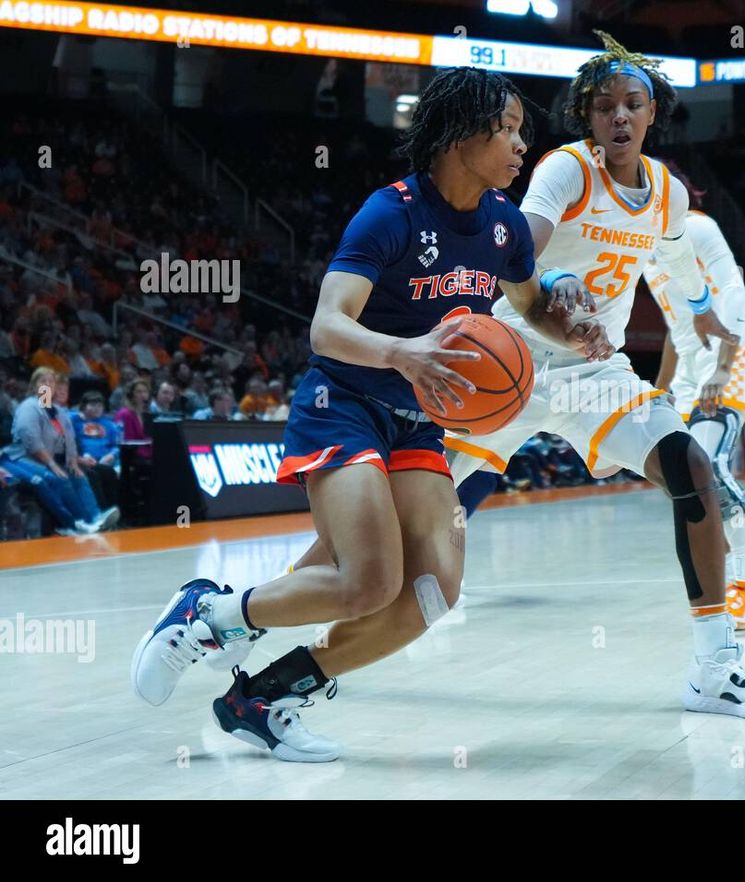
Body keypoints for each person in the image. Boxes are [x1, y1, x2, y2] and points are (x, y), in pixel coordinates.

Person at [130, 66, 616, 761]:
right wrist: (404, 353)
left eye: (520, 132)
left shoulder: (506, 227)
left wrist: (571, 330)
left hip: (417, 419)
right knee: (367, 581)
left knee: (430, 592)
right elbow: (328, 326)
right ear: (458, 134)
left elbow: (534, 303)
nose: (519, 146)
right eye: (506, 129)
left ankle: (266, 696)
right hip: (345, 404)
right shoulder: (391, 212)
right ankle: (207, 617)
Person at [445, 32, 745, 719]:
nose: (620, 117)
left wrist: (706, 318)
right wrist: (560, 284)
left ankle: (715, 666)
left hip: (593, 371)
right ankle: (237, 618)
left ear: (653, 113)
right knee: (401, 523)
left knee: (690, 469)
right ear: (588, 117)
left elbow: (676, 265)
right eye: (605, 106)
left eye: (633, 104)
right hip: (510, 358)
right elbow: (515, 252)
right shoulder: (565, 170)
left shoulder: (667, 193)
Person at [644, 171, 745, 628]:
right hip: (688, 367)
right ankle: (735, 580)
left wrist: (721, 371)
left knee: (713, 467)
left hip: (732, 351)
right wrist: (660, 389)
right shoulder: (645, 249)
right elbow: (674, 325)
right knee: (686, 475)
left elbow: (733, 297)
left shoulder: (699, 227)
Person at [0, 367, 119, 534]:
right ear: (35, 386)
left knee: (78, 475)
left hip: (45, 459)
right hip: (21, 457)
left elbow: (69, 439)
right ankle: (76, 523)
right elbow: (31, 440)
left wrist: (72, 461)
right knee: (58, 477)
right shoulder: (29, 407)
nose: (48, 385)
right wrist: (52, 464)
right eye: (43, 381)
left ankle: (94, 518)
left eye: (51, 382)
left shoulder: (58, 412)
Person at [70, 389, 121, 509]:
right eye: (92, 405)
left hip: (106, 460)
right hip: (85, 460)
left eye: (100, 405)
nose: (97, 408)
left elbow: (116, 446)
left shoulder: (108, 424)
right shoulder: (75, 421)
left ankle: (113, 510)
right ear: (83, 406)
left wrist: (112, 455)